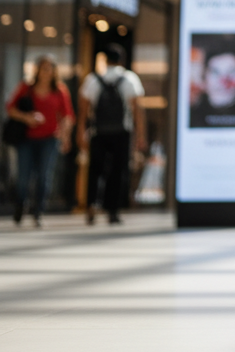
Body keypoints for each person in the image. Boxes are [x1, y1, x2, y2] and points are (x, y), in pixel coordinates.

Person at [77, 42, 145, 224]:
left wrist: (80, 132)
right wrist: (141, 136)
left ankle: (92, 204)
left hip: (99, 132)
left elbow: (83, 110)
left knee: (96, 170)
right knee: (117, 171)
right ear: (121, 60)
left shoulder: (92, 79)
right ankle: (112, 210)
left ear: (105, 60)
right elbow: (137, 110)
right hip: (122, 132)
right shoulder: (129, 79)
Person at [5, 54, 74, 226]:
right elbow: (10, 108)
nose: (46, 73)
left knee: (44, 175)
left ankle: (38, 211)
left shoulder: (60, 91)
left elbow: (67, 116)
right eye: (43, 69)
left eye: (49, 69)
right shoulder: (26, 88)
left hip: (50, 139)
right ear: (37, 70)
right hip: (26, 139)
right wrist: (27, 118)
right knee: (23, 176)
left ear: (53, 72)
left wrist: (65, 136)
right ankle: (21, 204)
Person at [190, 36, 235, 128]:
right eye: (215, 72)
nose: (224, 81)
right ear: (204, 77)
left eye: (232, 72)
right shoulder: (189, 115)